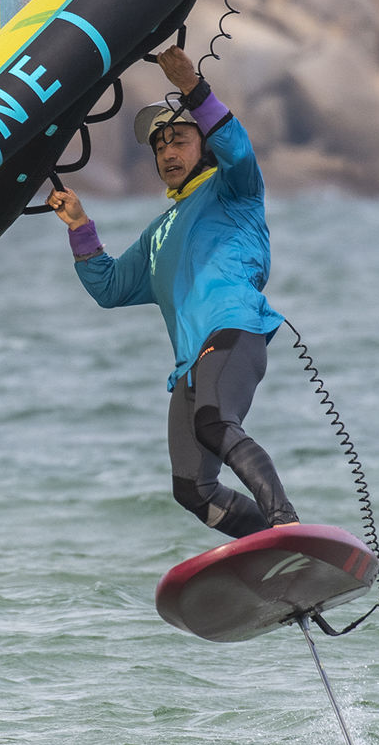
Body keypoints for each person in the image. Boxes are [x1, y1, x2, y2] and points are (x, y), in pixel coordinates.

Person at [46, 47, 299, 538]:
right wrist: (79, 226)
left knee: (215, 424)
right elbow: (111, 286)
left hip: (232, 330)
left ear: (203, 146)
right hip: (188, 364)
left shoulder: (234, 189)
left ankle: (285, 524)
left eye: (179, 140)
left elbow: (240, 149)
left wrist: (193, 88)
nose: (167, 153)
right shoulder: (159, 232)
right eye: (159, 146)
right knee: (192, 489)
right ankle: (273, 548)